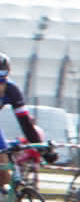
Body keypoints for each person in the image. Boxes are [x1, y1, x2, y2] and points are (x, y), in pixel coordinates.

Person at [0, 52, 54, 191]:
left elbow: (25, 123)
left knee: (5, 176)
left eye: (2, 80)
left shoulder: (12, 90)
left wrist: (40, 148)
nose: (0, 85)